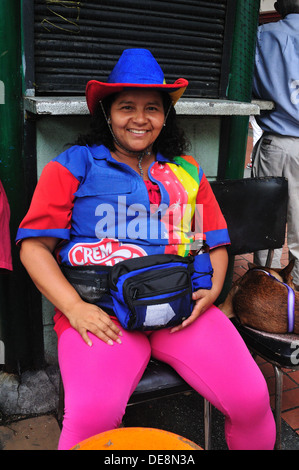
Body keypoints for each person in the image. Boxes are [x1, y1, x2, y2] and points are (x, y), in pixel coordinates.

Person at [16, 49, 275, 450]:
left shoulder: (186, 171)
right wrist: (74, 307)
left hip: (181, 309)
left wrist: (212, 294)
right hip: (103, 315)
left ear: (165, 115)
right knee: (92, 418)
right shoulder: (74, 166)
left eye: (152, 108)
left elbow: (217, 241)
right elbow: (34, 247)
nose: (140, 118)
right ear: (106, 112)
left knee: (253, 400)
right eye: (126, 107)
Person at [252, 0, 299, 289]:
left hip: (277, 144)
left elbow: (248, 85)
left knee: (263, 226)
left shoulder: (263, 35)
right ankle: (295, 299)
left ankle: (263, 291)